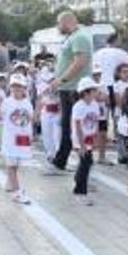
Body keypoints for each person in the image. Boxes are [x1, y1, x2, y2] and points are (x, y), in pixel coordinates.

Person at [48, 11, 93, 171]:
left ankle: (78, 161)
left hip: (74, 88)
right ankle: (62, 159)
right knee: (68, 126)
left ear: (66, 21)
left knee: (74, 126)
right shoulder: (73, 37)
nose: (57, 26)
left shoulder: (79, 37)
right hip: (68, 88)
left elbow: (80, 62)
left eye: (58, 23)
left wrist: (61, 79)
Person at [0, 75, 35, 204]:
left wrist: (31, 136)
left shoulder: (27, 102)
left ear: (24, 88)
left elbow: (31, 119)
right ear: (10, 87)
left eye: (19, 86)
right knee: (12, 164)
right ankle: (16, 192)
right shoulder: (6, 102)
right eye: (14, 86)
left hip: (23, 138)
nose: (17, 88)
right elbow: (2, 116)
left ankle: (11, 183)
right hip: (10, 138)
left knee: (17, 163)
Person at [71, 78, 102, 205]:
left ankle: (78, 180)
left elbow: (96, 122)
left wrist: (96, 138)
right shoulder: (79, 106)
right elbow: (77, 126)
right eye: (94, 90)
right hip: (80, 139)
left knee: (87, 162)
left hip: (90, 137)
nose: (97, 92)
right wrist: (82, 145)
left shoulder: (95, 104)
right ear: (86, 92)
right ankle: (80, 191)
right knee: (85, 163)